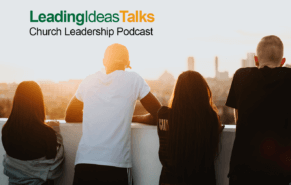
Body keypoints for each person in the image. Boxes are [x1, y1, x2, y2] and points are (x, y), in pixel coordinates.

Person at [65, 43, 161, 185]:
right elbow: (159, 114)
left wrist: (98, 116)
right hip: (116, 165)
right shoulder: (134, 80)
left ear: (104, 61)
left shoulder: (89, 80)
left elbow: (70, 115)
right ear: (128, 63)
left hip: (84, 164)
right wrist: (130, 118)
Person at [225, 35, 291, 185]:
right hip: (278, 171)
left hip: (243, 169)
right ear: (283, 62)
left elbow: (239, 119)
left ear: (256, 59)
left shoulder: (241, 76)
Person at [138, 71, 224, 185]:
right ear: (202, 91)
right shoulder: (210, 118)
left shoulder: (164, 115)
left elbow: (149, 118)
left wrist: (130, 118)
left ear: (177, 92)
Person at [2, 81, 64, 185]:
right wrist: (56, 132)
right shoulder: (46, 133)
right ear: (38, 102)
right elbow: (54, 165)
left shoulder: (6, 130)